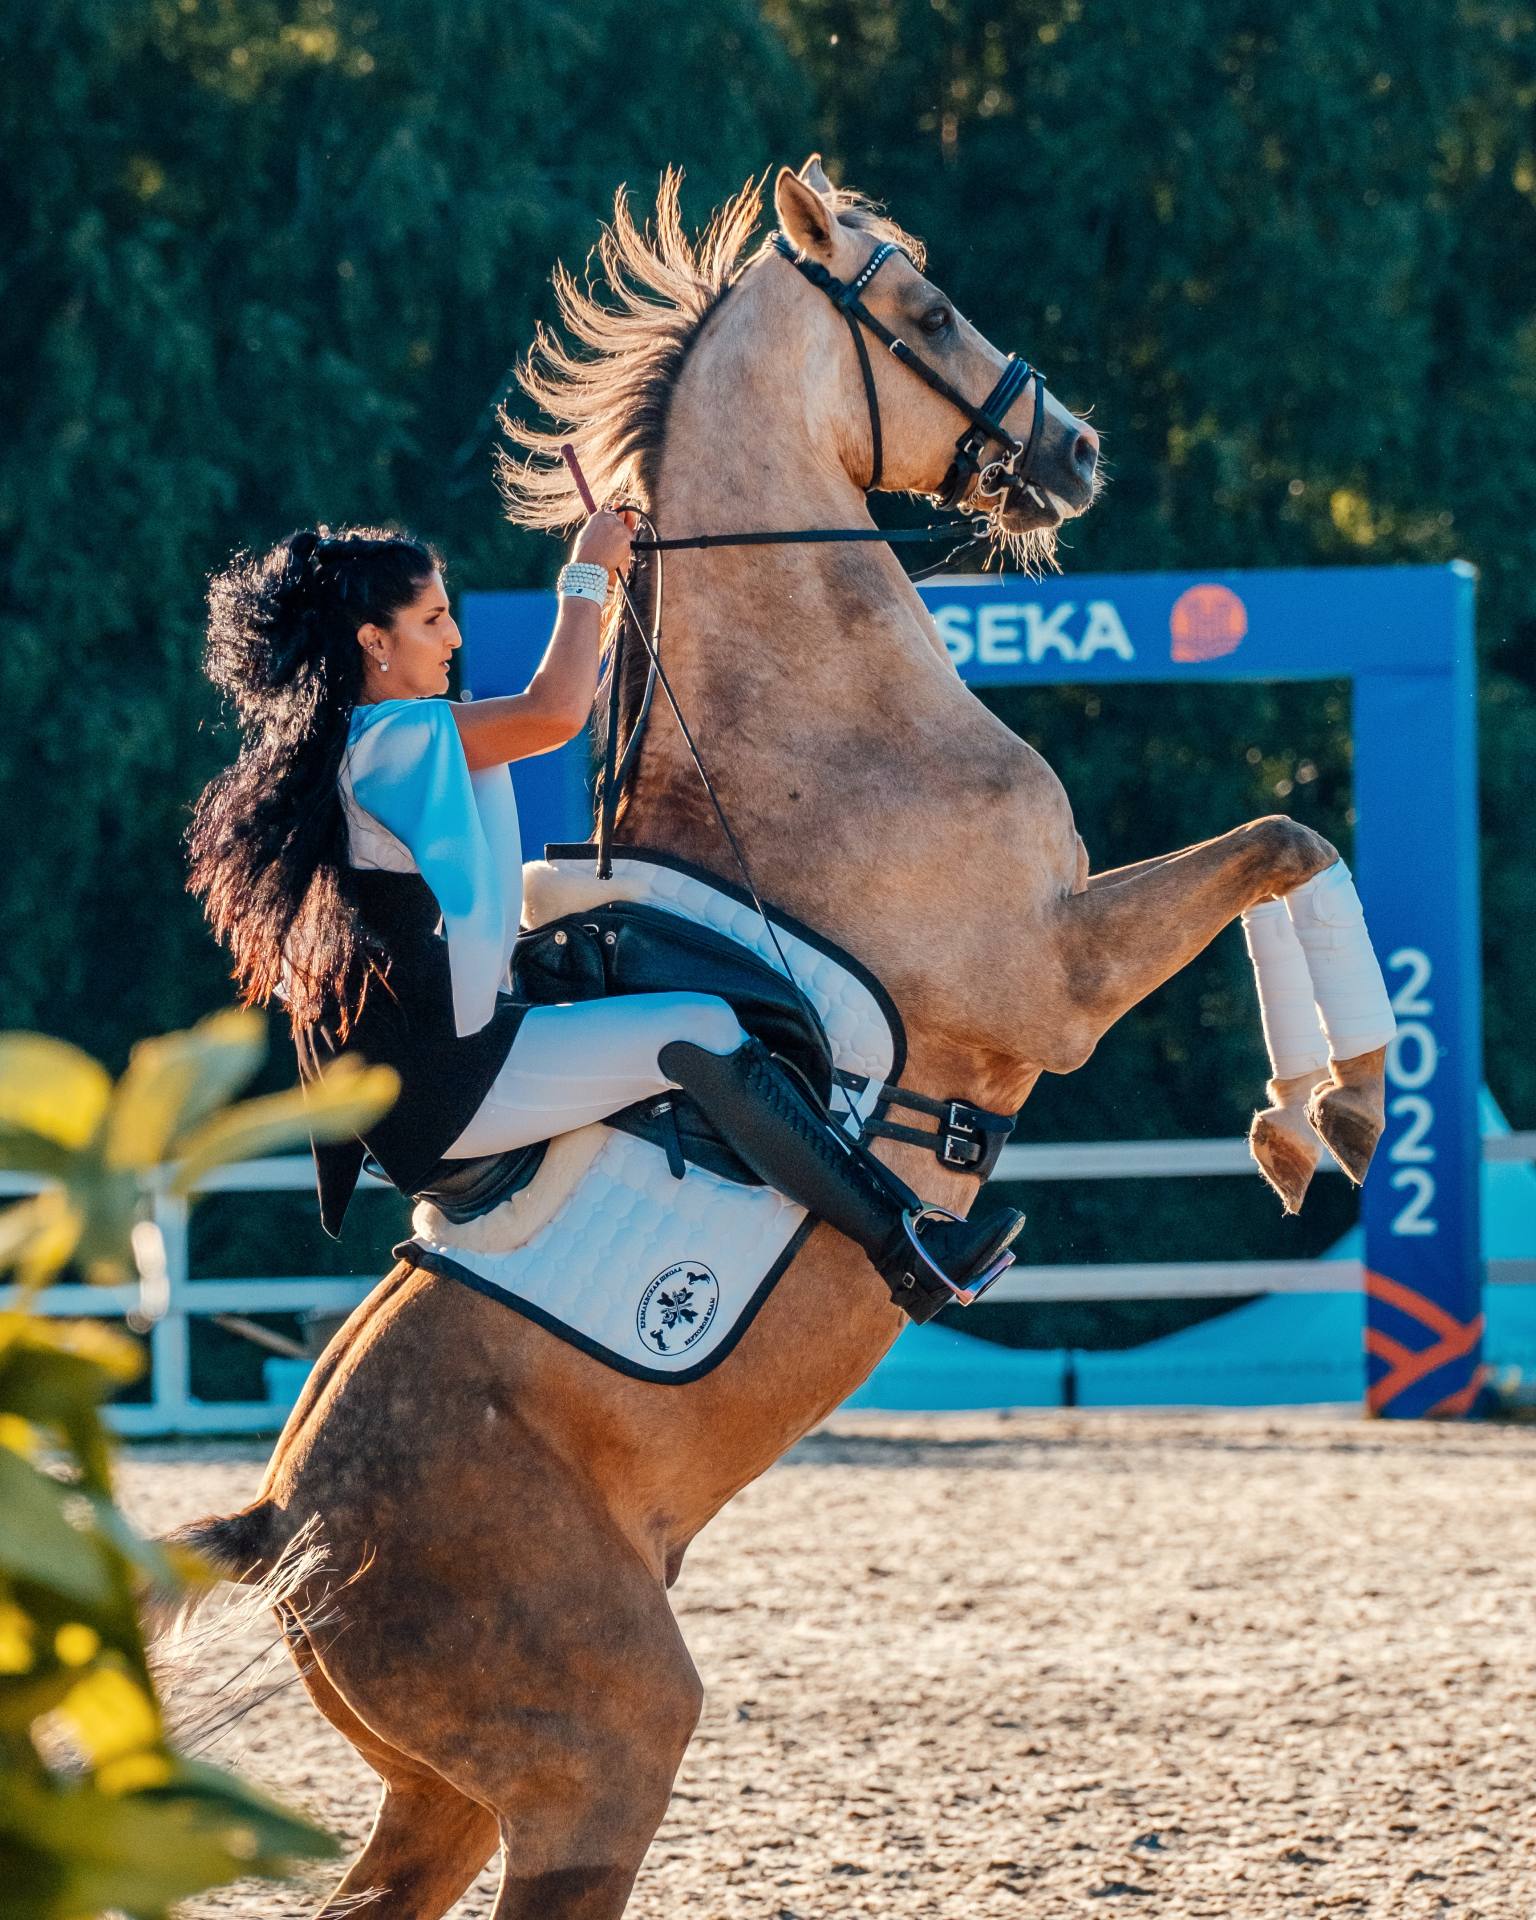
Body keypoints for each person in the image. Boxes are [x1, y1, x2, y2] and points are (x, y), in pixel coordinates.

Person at [187, 517, 1024, 1310]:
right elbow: (555, 714)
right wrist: (587, 570)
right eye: (433, 618)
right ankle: (908, 1255)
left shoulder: (366, 739)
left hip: (423, 1072)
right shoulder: (394, 738)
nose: (453, 637)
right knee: (699, 1030)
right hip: (443, 1084)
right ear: (374, 642)